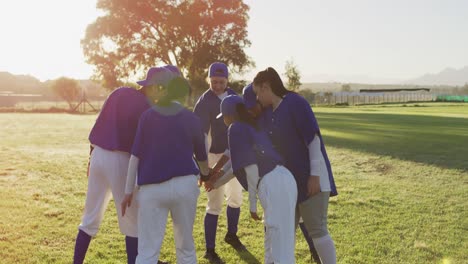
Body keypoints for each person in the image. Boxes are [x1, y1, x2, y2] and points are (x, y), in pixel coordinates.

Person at [73, 67, 172, 264]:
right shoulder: (148, 109)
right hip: (120, 160)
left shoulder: (118, 92)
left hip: (98, 155)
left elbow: (98, 126)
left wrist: (90, 159)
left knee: (90, 218)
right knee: (133, 222)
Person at [121, 66, 209, 264]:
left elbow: (135, 156)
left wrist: (128, 191)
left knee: (147, 251)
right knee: (185, 248)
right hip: (185, 186)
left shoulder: (147, 116)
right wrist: (206, 175)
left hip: (152, 189)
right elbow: (202, 156)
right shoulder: (191, 117)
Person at [252, 67, 338, 264]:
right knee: (284, 230)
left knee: (317, 229)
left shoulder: (295, 102)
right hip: (290, 183)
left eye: (258, 93)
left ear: (266, 87)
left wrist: (314, 175)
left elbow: (313, 139)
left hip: (311, 178)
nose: (258, 98)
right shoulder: (268, 113)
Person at [209, 94, 297, 264]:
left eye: (224, 116)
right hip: (284, 178)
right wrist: (215, 182)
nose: (224, 120)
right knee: (274, 237)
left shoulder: (235, 128)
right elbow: (236, 164)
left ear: (229, 114)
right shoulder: (252, 127)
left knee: (279, 244)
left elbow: (244, 168)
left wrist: (252, 204)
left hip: (272, 182)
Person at [243, 83, 322, 264]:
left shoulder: (281, 109)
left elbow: (311, 138)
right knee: (277, 226)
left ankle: (316, 254)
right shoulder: (256, 121)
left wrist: (314, 174)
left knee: (306, 224)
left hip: (293, 174)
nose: (251, 110)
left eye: (254, 104)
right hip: (278, 178)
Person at [193, 62, 245, 263]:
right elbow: (201, 137)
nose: (217, 86)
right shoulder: (204, 102)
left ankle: (232, 235)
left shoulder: (235, 98)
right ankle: (210, 249)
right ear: (209, 80)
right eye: (214, 82)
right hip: (214, 156)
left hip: (235, 154)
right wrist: (205, 169)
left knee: (236, 198)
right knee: (214, 203)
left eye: (221, 82)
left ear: (227, 80)